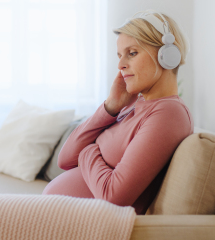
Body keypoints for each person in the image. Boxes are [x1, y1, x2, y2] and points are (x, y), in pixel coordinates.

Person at [42, 11, 194, 215]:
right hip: (58, 222)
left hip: (85, 229)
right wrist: (110, 107)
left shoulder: (168, 112)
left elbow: (113, 197)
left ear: (167, 56)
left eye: (132, 53)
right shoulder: (134, 106)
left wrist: (89, 149)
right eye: (119, 55)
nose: (120, 65)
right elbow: (66, 159)